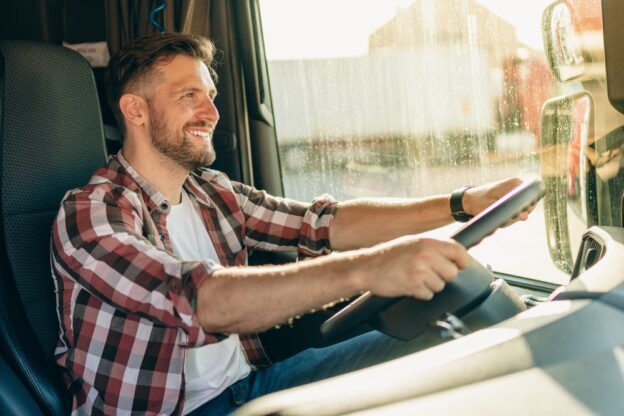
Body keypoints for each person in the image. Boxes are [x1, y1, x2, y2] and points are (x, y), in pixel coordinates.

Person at [51, 33, 527, 415]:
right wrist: (367, 269)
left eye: (211, 96)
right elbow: (200, 301)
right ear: (135, 110)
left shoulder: (211, 191)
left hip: (246, 387)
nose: (212, 112)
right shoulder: (91, 212)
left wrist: (462, 202)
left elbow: (323, 224)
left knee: (446, 336)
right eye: (189, 95)